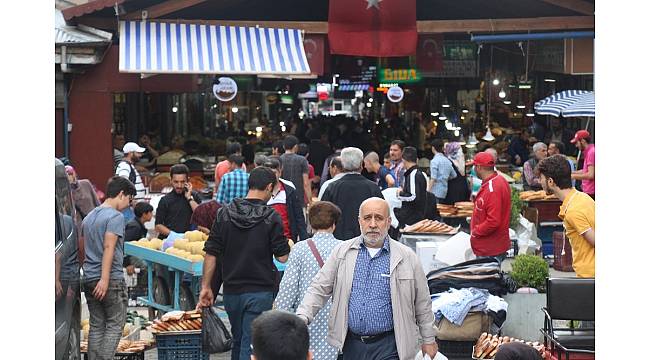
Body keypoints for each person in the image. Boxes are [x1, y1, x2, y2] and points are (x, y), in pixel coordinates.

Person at [295, 198, 438, 360]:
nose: (372, 224)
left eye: (379, 218)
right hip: (351, 345)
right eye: (367, 218)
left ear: (388, 222)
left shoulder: (407, 257)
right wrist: (303, 316)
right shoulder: (342, 252)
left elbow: (422, 302)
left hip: (390, 345)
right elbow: (319, 288)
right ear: (359, 221)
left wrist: (429, 338)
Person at [198, 167, 291, 360]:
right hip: (260, 291)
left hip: (232, 291)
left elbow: (211, 253)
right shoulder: (271, 216)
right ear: (268, 187)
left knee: (239, 340)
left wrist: (206, 286)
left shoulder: (224, 214)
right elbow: (282, 257)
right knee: (251, 345)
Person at [275, 202, 342, 360]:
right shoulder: (344, 248)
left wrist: (282, 319)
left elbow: (288, 289)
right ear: (334, 224)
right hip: (336, 319)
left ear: (311, 224)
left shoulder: (300, 248)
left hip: (305, 317)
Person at [81, 176, 136, 360]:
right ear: (121, 194)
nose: (129, 205)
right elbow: (109, 247)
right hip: (109, 279)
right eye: (129, 199)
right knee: (114, 325)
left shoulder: (89, 217)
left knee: (97, 325)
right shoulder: (115, 216)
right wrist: (104, 279)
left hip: (89, 277)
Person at [536, 155, 595, 278]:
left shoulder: (573, 210)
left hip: (590, 276)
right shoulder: (582, 197)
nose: (539, 181)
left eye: (541, 178)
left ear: (551, 182)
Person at [321, 147, 383, 240]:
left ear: (343, 165)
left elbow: (324, 216)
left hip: (338, 241)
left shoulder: (332, 187)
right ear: (361, 165)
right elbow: (382, 213)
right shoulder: (373, 188)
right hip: (367, 240)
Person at [470, 152, 511, 263]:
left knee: (486, 279)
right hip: (491, 246)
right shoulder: (498, 181)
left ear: (478, 167)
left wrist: (475, 231)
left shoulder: (493, 188)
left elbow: (493, 221)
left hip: (490, 248)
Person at [264, 156, 309, 242]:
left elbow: (298, 216)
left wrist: (304, 239)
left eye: (274, 172)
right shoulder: (262, 192)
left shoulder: (289, 190)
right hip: (267, 239)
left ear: (280, 172)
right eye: (268, 173)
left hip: (288, 239)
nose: (271, 176)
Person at [154, 164, 201, 239]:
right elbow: (158, 226)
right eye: (176, 182)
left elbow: (201, 215)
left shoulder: (194, 197)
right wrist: (173, 235)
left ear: (188, 181)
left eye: (182, 182)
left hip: (189, 241)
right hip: (168, 241)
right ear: (171, 181)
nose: (179, 185)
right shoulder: (165, 200)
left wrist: (189, 198)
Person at [395, 146, 431, 228]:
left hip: (412, 219)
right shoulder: (418, 173)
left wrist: (399, 194)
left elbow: (413, 196)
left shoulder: (413, 174)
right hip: (416, 217)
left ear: (403, 159)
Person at [116, 142, 147, 221]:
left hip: (131, 207)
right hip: (129, 208)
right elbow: (123, 182)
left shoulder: (128, 165)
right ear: (130, 153)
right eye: (137, 153)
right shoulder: (124, 166)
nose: (140, 155)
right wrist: (131, 201)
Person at [281, 135, 312, 208]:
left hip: (283, 200)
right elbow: (306, 183)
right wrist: (310, 201)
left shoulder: (279, 160)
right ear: (296, 147)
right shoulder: (302, 160)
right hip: (299, 200)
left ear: (283, 146)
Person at [124, 201, 153, 276]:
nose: (152, 215)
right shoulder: (134, 227)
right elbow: (125, 245)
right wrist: (127, 264)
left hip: (136, 255)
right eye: (150, 212)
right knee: (149, 267)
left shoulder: (139, 225)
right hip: (131, 257)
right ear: (144, 214)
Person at [570, 130, 595, 200]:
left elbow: (590, 175)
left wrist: (572, 176)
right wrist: (570, 172)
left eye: (577, 142)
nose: (576, 145)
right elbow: (585, 170)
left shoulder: (591, 152)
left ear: (583, 141)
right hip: (588, 191)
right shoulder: (590, 151)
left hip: (591, 192)